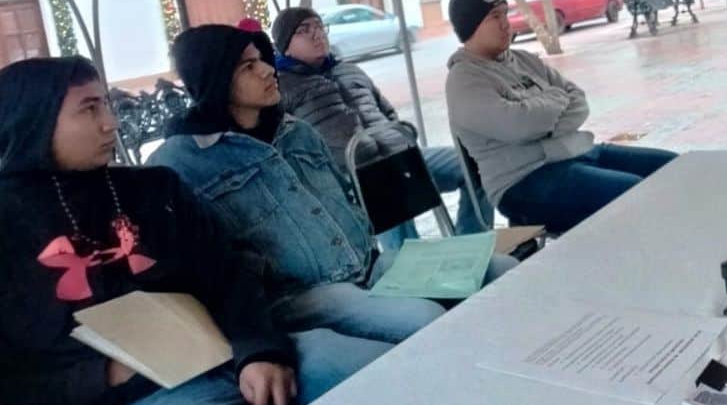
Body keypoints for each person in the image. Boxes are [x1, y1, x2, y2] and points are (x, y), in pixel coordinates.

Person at [0, 56, 390, 405]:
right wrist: (101, 374)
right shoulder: (9, 222)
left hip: (233, 355)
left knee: (381, 372)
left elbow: (228, 274)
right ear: (34, 120)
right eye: (89, 109)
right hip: (139, 401)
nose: (110, 123)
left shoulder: (153, 188)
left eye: (105, 104)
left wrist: (259, 350)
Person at [148, 25, 516, 345]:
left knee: (502, 270)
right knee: (424, 319)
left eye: (261, 59)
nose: (267, 70)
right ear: (214, 80)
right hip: (299, 296)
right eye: (248, 66)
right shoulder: (180, 162)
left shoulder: (295, 131)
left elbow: (343, 194)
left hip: (368, 266)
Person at [444, 0, 678, 234]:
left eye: (505, 14)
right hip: (524, 180)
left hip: (577, 151)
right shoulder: (465, 81)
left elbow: (579, 102)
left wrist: (541, 122)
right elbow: (519, 126)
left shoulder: (524, 60)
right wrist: (555, 99)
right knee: (637, 195)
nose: (505, 24)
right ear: (471, 25)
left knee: (676, 168)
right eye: (494, 17)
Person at [269, 7, 492, 242]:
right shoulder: (283, 88)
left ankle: (472, 242)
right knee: (389, 195)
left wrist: (404, 134)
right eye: (304, 31)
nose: (317, 34)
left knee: (475, 164)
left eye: (319, 26)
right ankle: (407, 258)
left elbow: (387, 111)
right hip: (351, 176)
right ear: (285, 45)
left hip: (400, 155)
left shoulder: (350, 70)